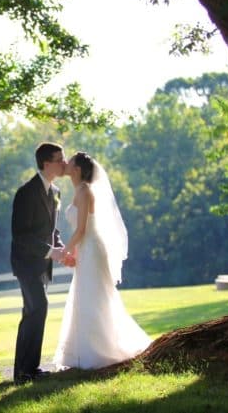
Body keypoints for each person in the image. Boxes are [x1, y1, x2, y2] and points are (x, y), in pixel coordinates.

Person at [53, 152, 152, 370]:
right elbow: (82, 230)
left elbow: (81, 230)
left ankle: (101, 350)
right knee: (86, 295)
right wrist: (73, 253)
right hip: (85, 249)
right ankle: (83, 351)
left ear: (77, 170)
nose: (66, 163)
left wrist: (64, 251)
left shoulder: (85, 192)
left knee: (94, 296)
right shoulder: (78, 191)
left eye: (69, 162)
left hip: (91, 249)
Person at [11, 142, 67, 384]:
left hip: (42, 265)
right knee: (38, 308)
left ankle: (24, 372)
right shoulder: (26, 192)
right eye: (60, 159)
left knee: (31, 312)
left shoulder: (56, 192)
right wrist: (49, 252)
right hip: (26, 264)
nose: (64, 164)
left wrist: (60, 247)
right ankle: (27, 370)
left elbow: (51, 230)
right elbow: (20, 235)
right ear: (47, 163)